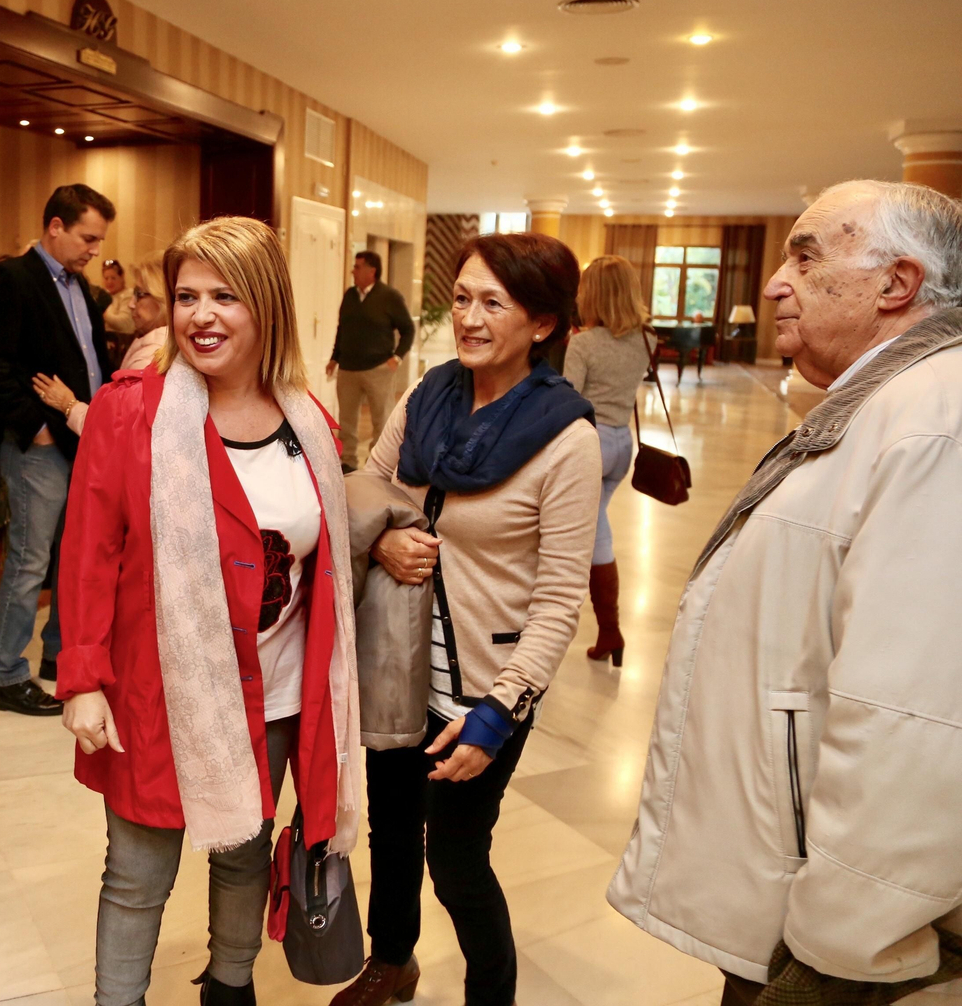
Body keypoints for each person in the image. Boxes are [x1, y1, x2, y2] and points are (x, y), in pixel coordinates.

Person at [610, 181, 962, 1006]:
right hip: (792, 886)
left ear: (897, 283)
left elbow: (910, 725)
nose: (774, 282)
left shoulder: (934, 421)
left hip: (827, 941)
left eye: (807, 255)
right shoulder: (888, 402)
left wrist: (840, 951)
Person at [57, 216, 362, 1006]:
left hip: (280, 691)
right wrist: (83, 677)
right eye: (187, 295)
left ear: (266, 306)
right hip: (160, 689)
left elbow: (322, 551)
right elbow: (88, 552)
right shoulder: (132, 412)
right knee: (137, 870)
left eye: (225, 296)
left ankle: (230, 988)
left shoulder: (308, 420)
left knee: (241, 853)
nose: (201, 315)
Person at [333, 233, 599, 1006]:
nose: (469, 318)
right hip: (399, 660)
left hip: (485, 686)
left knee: (454, 856)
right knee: (390, 828)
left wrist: (499, 712)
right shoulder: (429, 395)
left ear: (543, 323)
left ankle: (492, 991)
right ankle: (393, 960)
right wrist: (382, 537)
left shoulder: (566, 438)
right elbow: (366, 483)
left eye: (493, 303)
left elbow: (557, 599)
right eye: (461, 298)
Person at [0, 183, 115, 716]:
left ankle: (56, 654)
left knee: (70, 559)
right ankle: (7, 675)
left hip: (82, 440)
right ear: (55, 226)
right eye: (87, 237)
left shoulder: (79, 286)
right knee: (30, 562)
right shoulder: (13, 277)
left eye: (99, 240)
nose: (94, 249)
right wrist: (37, 428)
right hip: (41, 445)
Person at [563, 254, 651, 666]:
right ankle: (607, 631)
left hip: (590, 443)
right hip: (621, 444)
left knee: (594, 536)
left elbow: (568, 402)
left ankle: (610, 629)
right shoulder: (645, 340)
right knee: (596, 527)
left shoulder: (582, 344)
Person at [31, 251, 167, 435]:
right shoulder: (155, 344)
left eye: (140, 294)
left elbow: (114, 429)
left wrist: (67, 403)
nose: (131, 304)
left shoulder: (152, 357)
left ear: (163, 299)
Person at [326, 250, 415, 470]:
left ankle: (377, 464)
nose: (353, 271)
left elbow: (408, 329)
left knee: (382, 421)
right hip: (348, 369)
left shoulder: (390, 297)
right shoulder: (350, 295)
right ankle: (347, 462)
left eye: (357, 267)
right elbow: (342, 329)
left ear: (371, 271)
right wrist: (334, 358)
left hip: (378, 369)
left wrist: (397, 357)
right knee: (346, 421)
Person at [100, 257, 136, 345]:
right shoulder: (104, 296)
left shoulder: (129, 294)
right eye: (106, 278)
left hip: (121, 344)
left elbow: (125, 325)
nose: (109, 282)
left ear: (122, 277)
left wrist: (103, 313)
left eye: (113, 278)